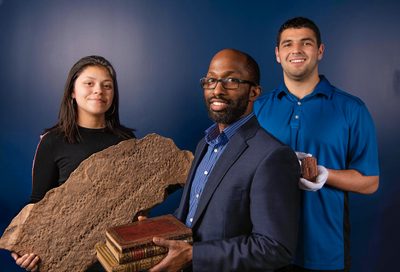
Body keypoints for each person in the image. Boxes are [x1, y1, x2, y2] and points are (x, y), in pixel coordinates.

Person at [146, 48, 301, 272]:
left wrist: (193, 255)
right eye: (211, 80)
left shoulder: (273, 156)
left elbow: (275, 248)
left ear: (254, 92)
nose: (217, 90)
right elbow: (189, 217)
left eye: (231, 81)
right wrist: (151, 230)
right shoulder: (204, 145)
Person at [254, 17, 380, 271]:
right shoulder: (257, 108)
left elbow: (370, 182)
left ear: (320, 51)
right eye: (288, 44)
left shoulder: (351, 109)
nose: (296, 50)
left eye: (306, 43)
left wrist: (324, 174)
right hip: (264, 251)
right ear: (278, 54)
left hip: (326, 252)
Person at [11, 55, 135, 271]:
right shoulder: (53, 141)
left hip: (116, 260)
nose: (99, 90)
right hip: (66, 259)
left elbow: (137, 203)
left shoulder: (127, 142)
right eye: (89, 83)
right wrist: (25, 246)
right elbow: (38, 202)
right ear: (72, 91)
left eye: (107, 86)